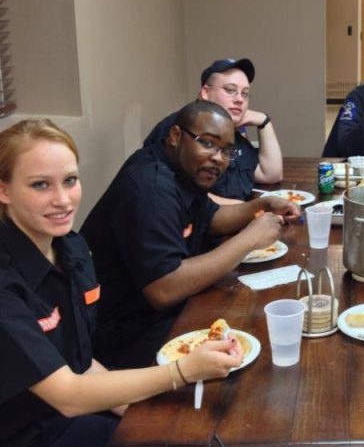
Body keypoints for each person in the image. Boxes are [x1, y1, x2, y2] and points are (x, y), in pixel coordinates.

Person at [0, 119, 242, 447]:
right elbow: (67, 394)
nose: (63, 200)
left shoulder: (71, 249)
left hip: (75, 418)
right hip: (25, 445)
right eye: (40, 185)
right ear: (4, 190)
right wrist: (182, 371)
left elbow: (82, 364)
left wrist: (145, 416)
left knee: (199, 439)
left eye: (70, 180)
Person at [82, 100, 301, 370]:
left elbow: (208, 219)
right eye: (207, 143)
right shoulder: (150, 188)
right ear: (175, 136)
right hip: (125, 338)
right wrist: (249, 240)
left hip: (162, 315)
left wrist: (261, 205)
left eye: (226, 150)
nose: (218, 158)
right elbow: (164, 288)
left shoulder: (182, 170)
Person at [145, 58, 282, 202]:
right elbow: (171, 190)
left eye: (245, 93)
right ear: (205, 92)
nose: (240, 99)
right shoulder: (179, 128)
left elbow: (270, 175)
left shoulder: (231, 132)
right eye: (230, 90)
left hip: (241, 216)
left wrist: (264, 121)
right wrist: (245, 209)